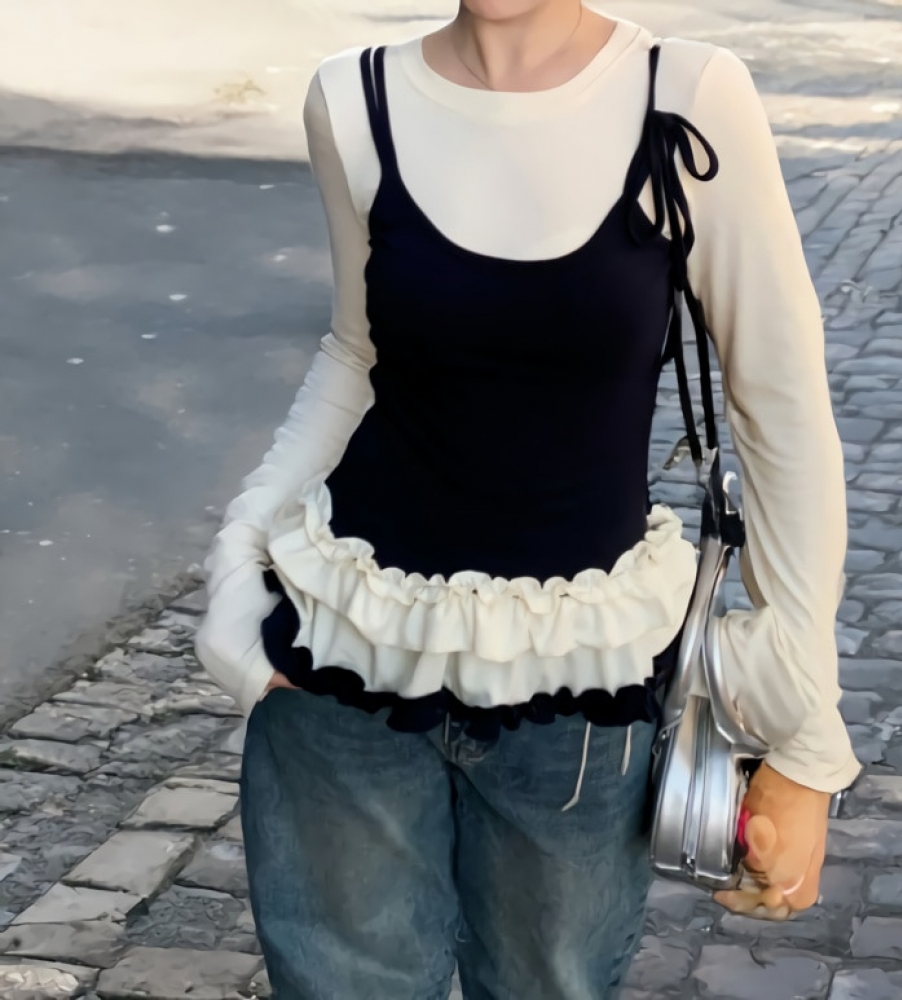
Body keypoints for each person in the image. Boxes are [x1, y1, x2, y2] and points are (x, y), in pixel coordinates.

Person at [195, 2, 862, 997]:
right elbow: (356, 354)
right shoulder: (353, 97)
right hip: (340, 672)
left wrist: (805, 746)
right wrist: (236, 566)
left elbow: (782, 405)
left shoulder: (683, 95)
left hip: (581, 703)